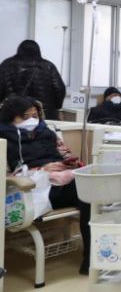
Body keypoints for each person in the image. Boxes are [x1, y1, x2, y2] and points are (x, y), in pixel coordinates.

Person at [0, 95, 91, 274]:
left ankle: (91, 257)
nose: (32, 120)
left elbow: (66, 155)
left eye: (35, 115)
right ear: (11, 117)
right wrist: (41, 169)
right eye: (25, 117)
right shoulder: (3, 140)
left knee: (90, 192)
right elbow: (6, 175)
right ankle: (91, 259)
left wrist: (68, 163)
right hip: (30, 189)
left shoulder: (47, 132)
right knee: (87, 193)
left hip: (59, 183)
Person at [0, 40, 66, 120]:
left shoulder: (6, 65)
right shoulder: (48, 66)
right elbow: (59, 89)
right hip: (44, 114)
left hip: (14, 115)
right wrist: (56, 107)